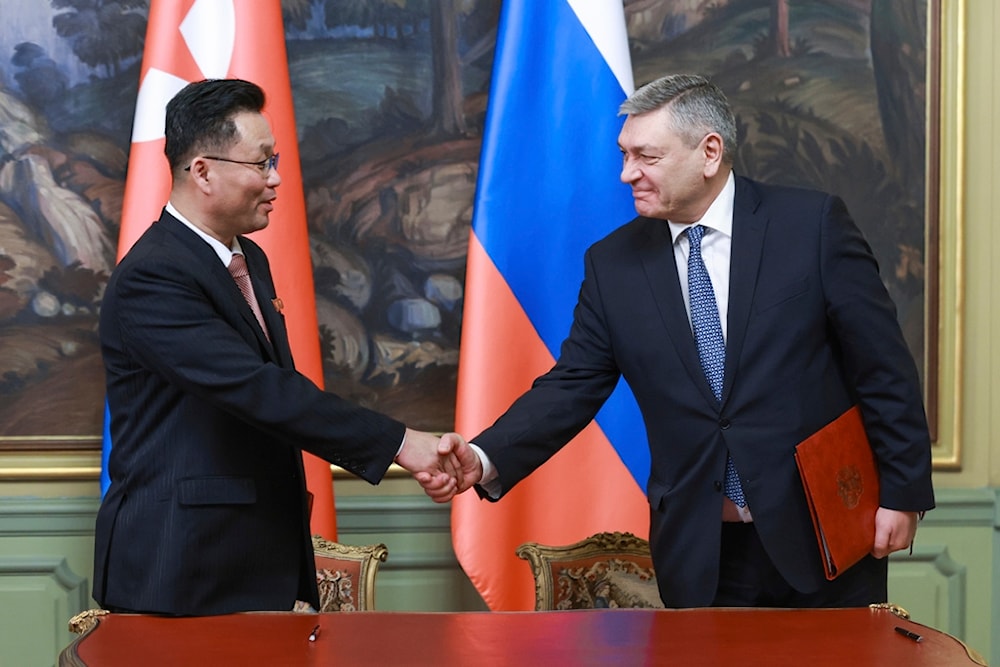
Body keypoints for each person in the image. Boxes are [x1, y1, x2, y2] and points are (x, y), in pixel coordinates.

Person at [445, 73, 935, 608]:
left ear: (709, 152)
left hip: (825, 533)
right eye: (624, 155)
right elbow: (572, 386)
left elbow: (883, 367)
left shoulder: (810, 226)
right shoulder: (612, 265)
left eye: (646, 157)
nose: (626, 173)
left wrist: (903, 494)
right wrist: (484, 455)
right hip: (703, 553)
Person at [95, 78, 463, 616]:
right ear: (203, 170)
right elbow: (260, 391)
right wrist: (402, 443)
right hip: (182, 566)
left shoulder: (248, 260)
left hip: (251, 554)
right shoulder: (154, 276)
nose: (277, 179)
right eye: (262, 163)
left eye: (276, 160)